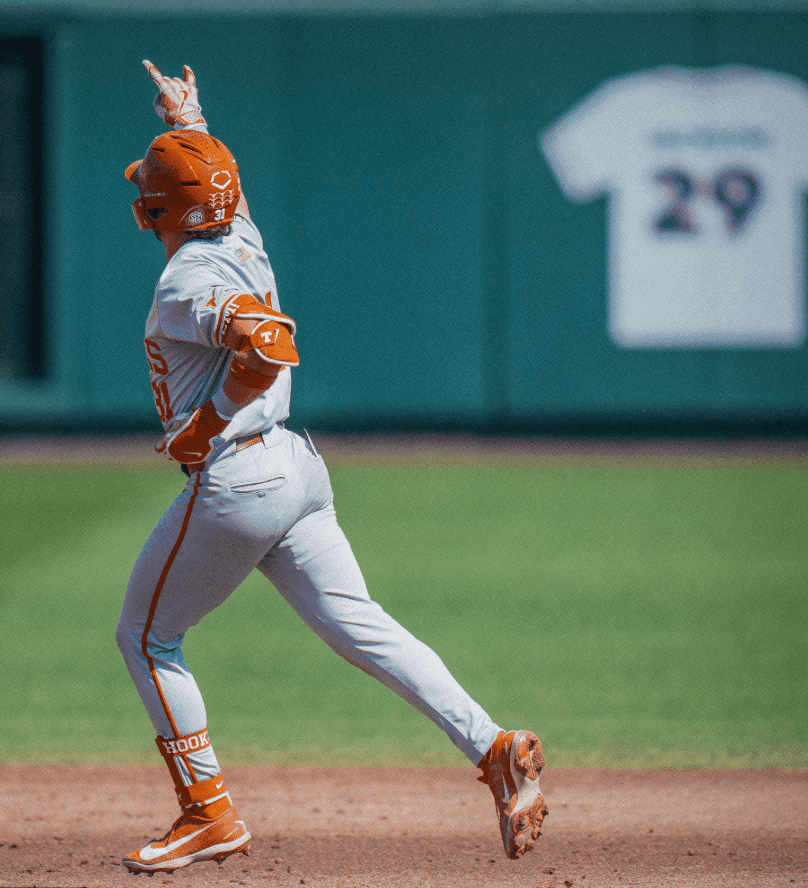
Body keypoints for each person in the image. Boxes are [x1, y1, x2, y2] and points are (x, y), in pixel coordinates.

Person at [115, 60, 548, 876]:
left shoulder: (184, 280)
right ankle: (491, 747)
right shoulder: (239, 229)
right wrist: (189, 113)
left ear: (154, 212)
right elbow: (218, 185)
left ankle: (206, 813)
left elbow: (269, 344)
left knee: (145, 636)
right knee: (363, 628)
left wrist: (204, 426)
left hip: (240, 479)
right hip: (298, 471)